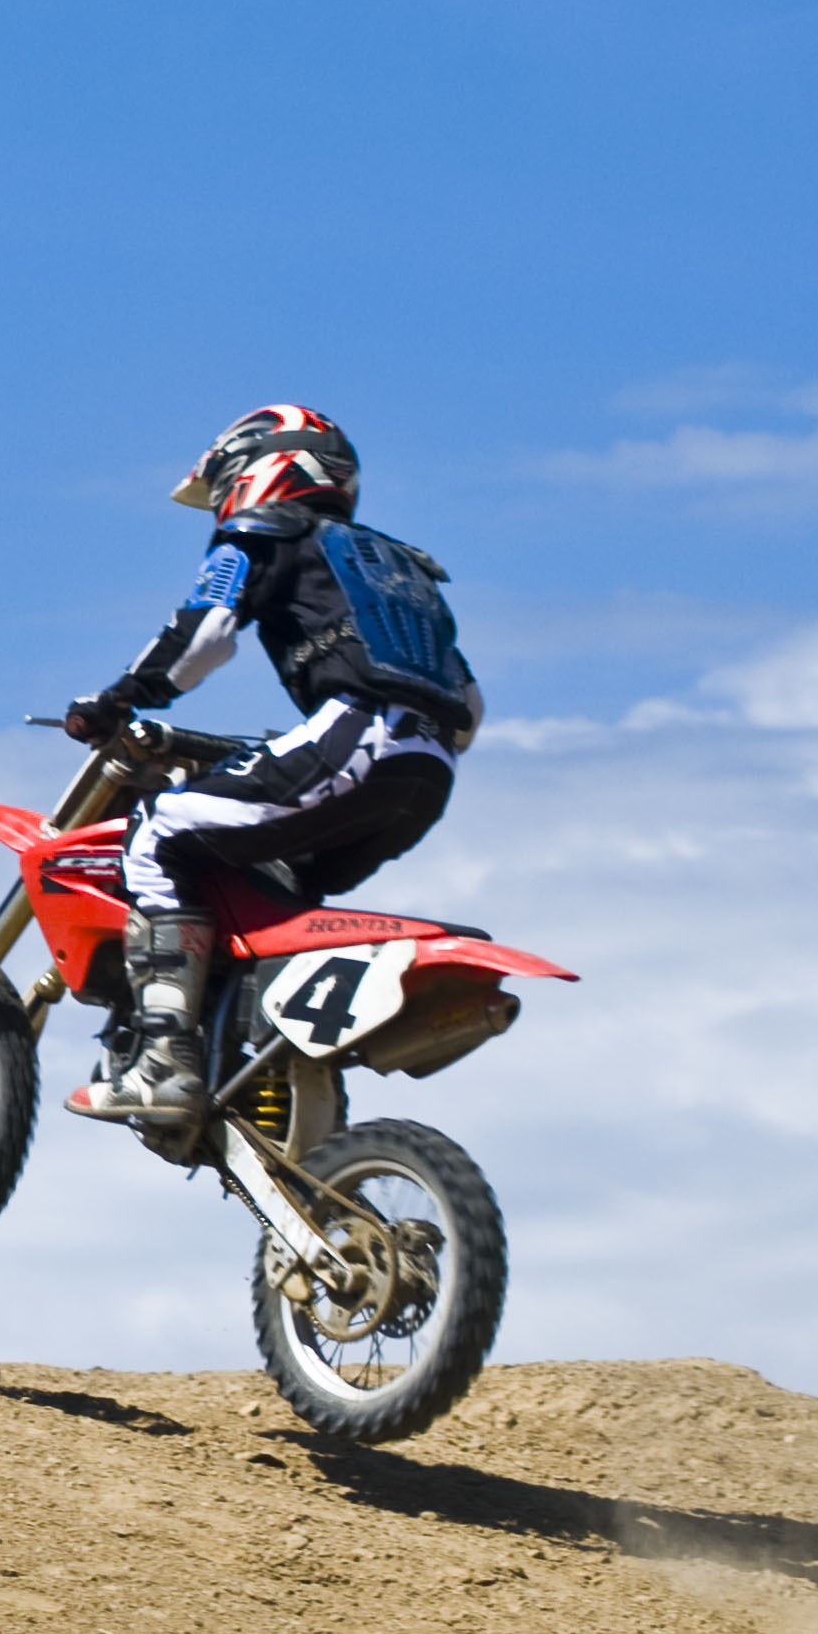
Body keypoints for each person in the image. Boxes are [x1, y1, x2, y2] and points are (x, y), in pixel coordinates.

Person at [58, 404, 482, 1127]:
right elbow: (467, 709)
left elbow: (203, 635)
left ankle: (163, 1062)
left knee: (156, 833)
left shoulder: (264, 531)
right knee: (268, 892)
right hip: (428, 771)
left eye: (224, 484)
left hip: (356, 739)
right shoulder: (402, 569)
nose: (222, 502)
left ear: (262, 468)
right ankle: (261, 1066)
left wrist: (116, 700)